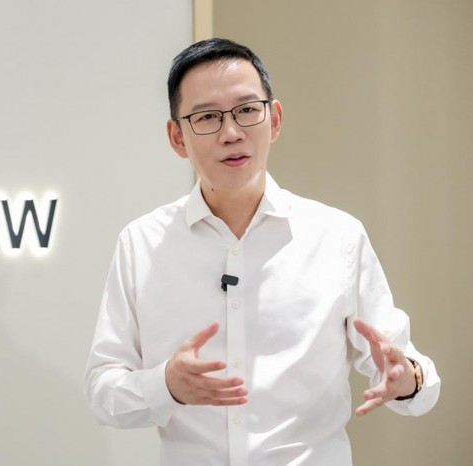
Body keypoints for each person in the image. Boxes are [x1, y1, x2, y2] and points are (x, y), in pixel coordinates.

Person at [83, 38, 441, 466]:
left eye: (247, 110)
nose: (231, 133)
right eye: (207, 117)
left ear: (274, 120)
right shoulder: (142, 243)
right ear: (177, 137)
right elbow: (102, 391)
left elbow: (405, 365)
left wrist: (408, 378)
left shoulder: (337, 237)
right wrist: (167, 385)